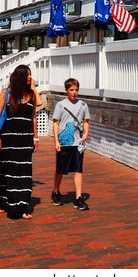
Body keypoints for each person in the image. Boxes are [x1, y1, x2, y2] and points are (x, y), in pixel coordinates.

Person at [0, 65, 42, 219]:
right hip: (8, 139)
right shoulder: (6, 94)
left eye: (30, 74)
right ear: (19, 77)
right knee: (8, 171)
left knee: (24, 172)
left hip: (26, 139)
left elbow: (34, 114)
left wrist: (35, 137)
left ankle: (22, 205)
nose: (29, 77)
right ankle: (7, 205)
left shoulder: (31, 94)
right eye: (27, 75)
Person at [51, 78, 90, 211]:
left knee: (78, 169)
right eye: (71, 90)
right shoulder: (61, 105)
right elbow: (56, 123)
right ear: (66, 90)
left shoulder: (83, 105)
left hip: (78, 142)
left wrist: (86, 132)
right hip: (64, 142)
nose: (74, 92)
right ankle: (56, 191)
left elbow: (86, 121)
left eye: (76, 90)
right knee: (60, 169)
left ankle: (78, 197)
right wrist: (56, 140)